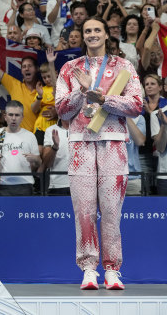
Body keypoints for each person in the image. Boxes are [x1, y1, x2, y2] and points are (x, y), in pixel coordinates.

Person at [56, 17, 142, 290]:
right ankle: (89, 269)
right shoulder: (70, 68)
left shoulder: (123, 66)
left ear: (106, 34)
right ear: (83, 36)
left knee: (111, 210)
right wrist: (82, 92)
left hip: (113, 142)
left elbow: (137, 105)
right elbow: (61, 110)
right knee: (84, 210)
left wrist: (104, 99)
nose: (92, 34)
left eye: (97, 30)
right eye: (88, 31)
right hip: (80, 142)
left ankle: (112, 270)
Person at [0, 100, 41, 196]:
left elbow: (39, 162)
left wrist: (35, 159)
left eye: (17, 115)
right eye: (11, 115)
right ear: (5, 116)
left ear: (22, 117)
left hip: (25, 185)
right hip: (2, 185)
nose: (13, 118)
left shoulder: (30, 136)